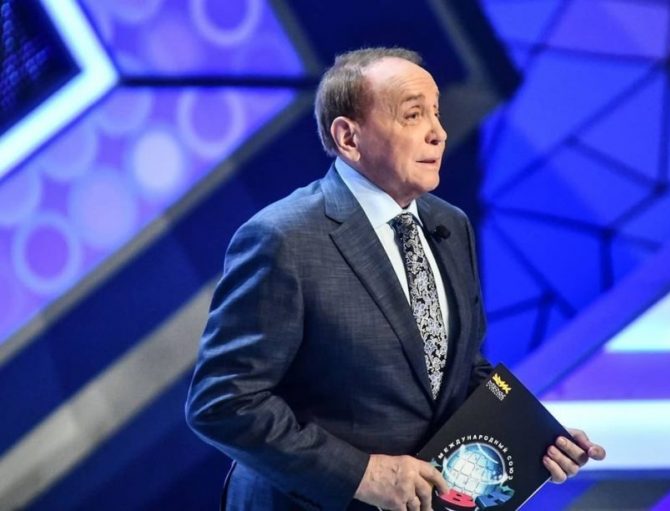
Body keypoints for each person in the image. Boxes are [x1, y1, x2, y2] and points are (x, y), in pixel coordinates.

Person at [185, 47, 605, 511]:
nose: (438, 132)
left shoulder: (450, 224)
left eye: (436, 113)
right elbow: (222, 402)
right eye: (413, 115)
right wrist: (361, 475)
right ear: (348, 137)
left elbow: (453, 369)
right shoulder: (284, 237)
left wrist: (534, 436)